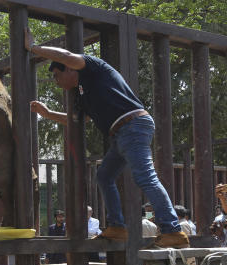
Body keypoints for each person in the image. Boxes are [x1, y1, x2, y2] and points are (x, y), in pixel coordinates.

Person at [26, 29, 188, 249]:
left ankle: (172, 230)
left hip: (133, 125)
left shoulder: (94, 68)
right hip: (120, 135)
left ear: (69, 69)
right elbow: (75, 121)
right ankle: (117, 227)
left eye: (56, 75)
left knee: (145, 177)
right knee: (104, 176)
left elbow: (64, 55)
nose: (55, 81)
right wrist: (47, 114)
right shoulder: (83, 94)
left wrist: (34, 48)